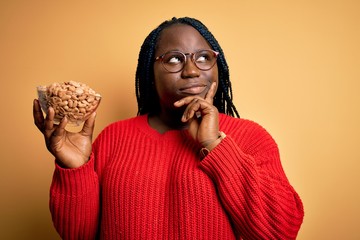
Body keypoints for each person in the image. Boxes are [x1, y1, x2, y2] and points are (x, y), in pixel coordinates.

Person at [33, 17, 304, 240]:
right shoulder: (113, 138)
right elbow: (78, 235)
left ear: (217, 65)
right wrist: (74, 169)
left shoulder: (250, 137)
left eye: (203, 57)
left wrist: (214, 145)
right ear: (149, 71)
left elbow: (279, 233)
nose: (191, 71)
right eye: (174, 59)